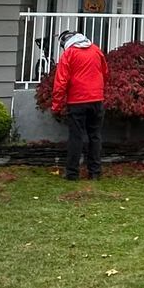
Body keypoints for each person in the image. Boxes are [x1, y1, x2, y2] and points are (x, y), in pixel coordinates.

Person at [49, 30, 107, 181]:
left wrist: (56, 106)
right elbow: (105, 73)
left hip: (77, 101)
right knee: (95, 136)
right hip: (97, 99)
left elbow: (60, 82)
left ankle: (72, 173)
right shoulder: (96, 50)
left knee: (76, 137)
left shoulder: (69, 54)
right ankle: (95, 172)